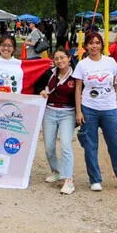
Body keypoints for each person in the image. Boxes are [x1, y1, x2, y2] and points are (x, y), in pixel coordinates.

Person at [73, 32, 117, 192]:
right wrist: (79, 111)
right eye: (91, 43)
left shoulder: (110, 62)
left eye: (97, 43)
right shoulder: (82, 65)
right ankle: (95, 179)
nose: (94, 46)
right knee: (90, 145)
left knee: (116, 144)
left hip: (109, 108)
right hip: (89, 108)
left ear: (101, 45)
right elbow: (78, 89)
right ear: (86, 46)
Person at [37, 49, 76, 195]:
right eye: (56, 58)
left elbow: (80, 94)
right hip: (50, 112)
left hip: (68, 113)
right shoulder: (49, 73)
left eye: (62, 58)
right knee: (49, 147)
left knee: (66, 145)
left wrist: (80, 114)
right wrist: (40, 90)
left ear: (69, 58)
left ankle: (69, 180)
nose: (60, 61)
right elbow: (37, 85)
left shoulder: (76, 75)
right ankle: (56, 171)